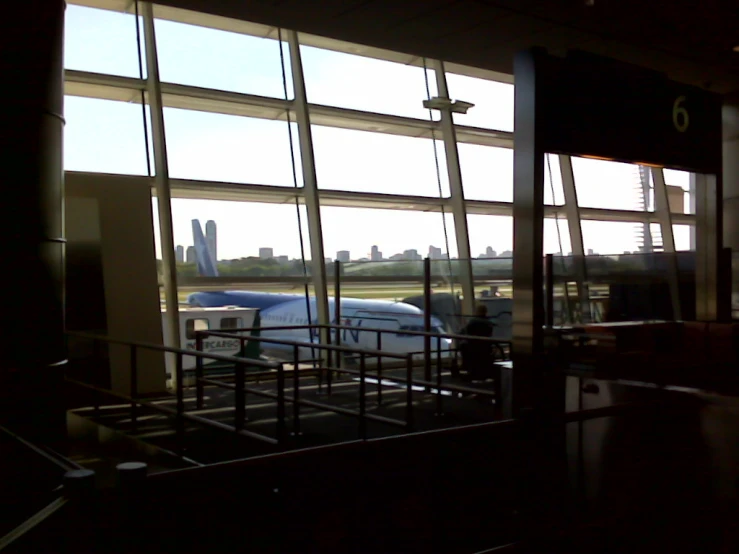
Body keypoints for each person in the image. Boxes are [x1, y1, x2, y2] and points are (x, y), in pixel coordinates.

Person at [458, 304, 495, 380]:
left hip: (472, 347)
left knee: (463, 346)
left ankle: (466, 367)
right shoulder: (488, 323)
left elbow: (463, 332)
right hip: (485, 347)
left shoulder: (473, 322)